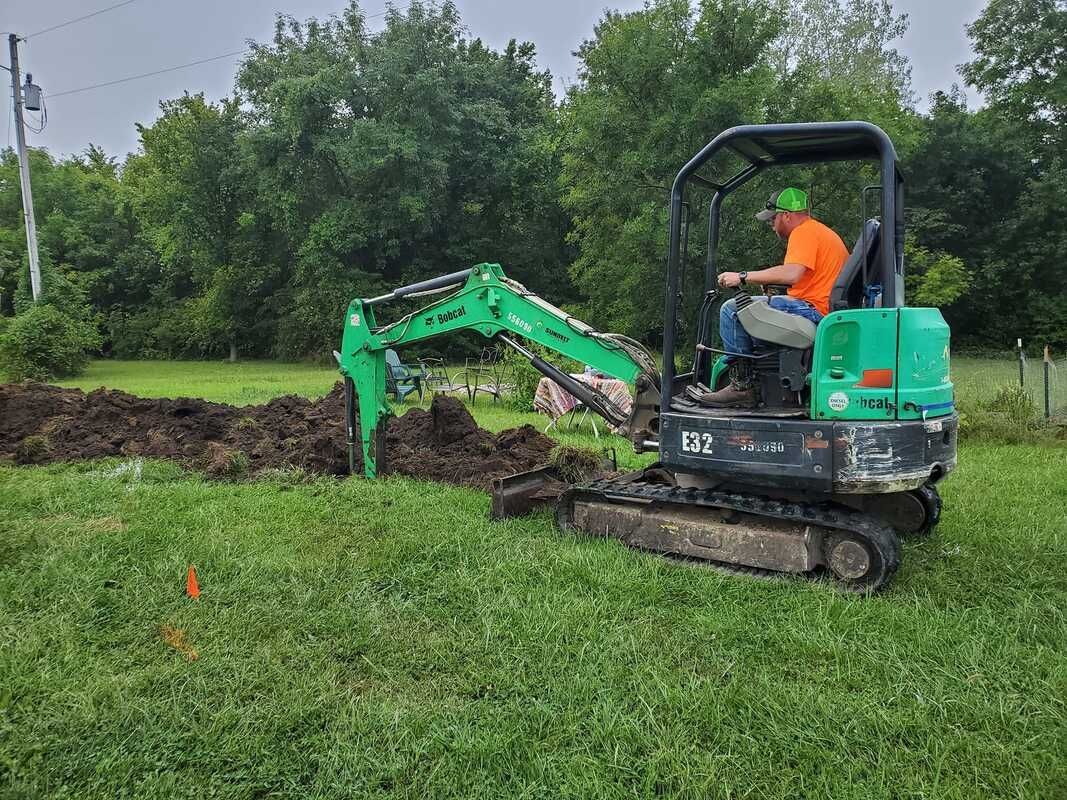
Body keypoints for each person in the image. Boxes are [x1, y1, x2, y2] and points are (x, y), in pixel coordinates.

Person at [699, 187, 849, 408]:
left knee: (732, 310)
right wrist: (769, 283)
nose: (771, 225)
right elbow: (802, 278)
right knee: (749, 308)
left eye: (773, 218)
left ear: (787, 215)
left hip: (815, 310)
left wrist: (741, 276)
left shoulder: (803, 232)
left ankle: (742, 386)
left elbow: (792, 273)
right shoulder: (821, 232)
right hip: (821, 308)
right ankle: (756, 377)